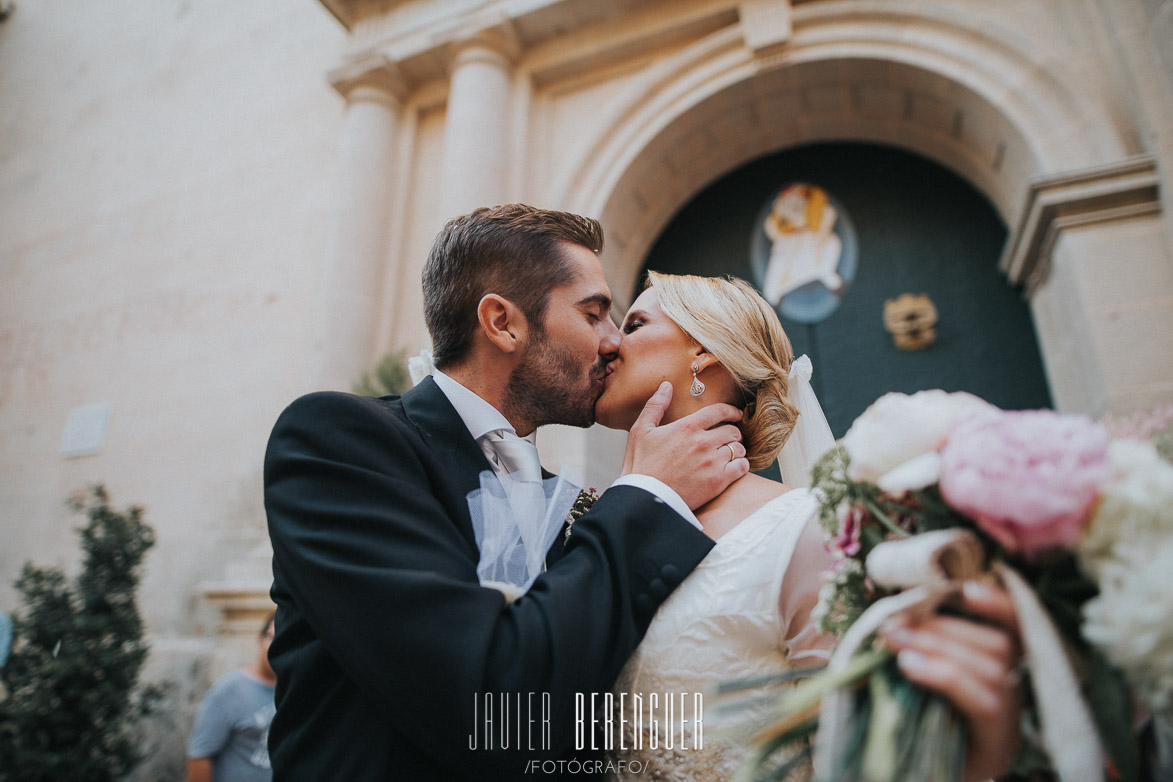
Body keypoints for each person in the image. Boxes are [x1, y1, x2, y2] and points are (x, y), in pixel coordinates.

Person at [263, 205, 751, 780]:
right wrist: (647, 494)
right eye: (595, 314)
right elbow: (484, 703)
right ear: (502, 323)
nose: (614, 341)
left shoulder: (559, 499)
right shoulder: (339, 443)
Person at [593, 272, 1021, 782]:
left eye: (635, 323)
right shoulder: (605, 528)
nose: (611, 342)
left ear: (703, 352)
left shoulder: (801, 529)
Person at [187, 613, 277, 782]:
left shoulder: (293, 692)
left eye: (284, 642)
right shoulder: (229, 690)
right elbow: (200, 756)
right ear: (260, 639)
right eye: (272, 638)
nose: (277, 648)